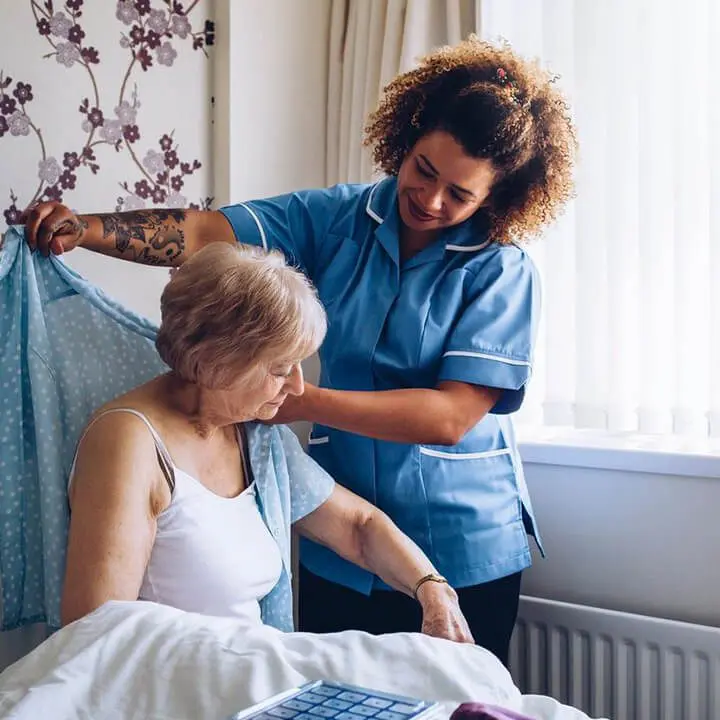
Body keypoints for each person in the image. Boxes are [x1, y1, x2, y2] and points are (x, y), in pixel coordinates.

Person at [25, 37, 576, 664]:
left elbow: (449, 418)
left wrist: (291, 396)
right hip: (338, 540)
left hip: (460, 542)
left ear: (496, 199)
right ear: (407, 139)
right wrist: (88, 229)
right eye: (424, 170)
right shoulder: (338, 218)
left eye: (460, 194)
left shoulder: (501, 271)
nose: (430, 199)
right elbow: (208, 233)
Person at [60, 240, 473, 643]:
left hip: (246, 677)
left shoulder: (253, 435)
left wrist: (432, 587)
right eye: (279, 369)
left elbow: (357, 526)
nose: (297, 385)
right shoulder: (129, 442)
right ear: (215, 361)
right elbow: (95, 636)